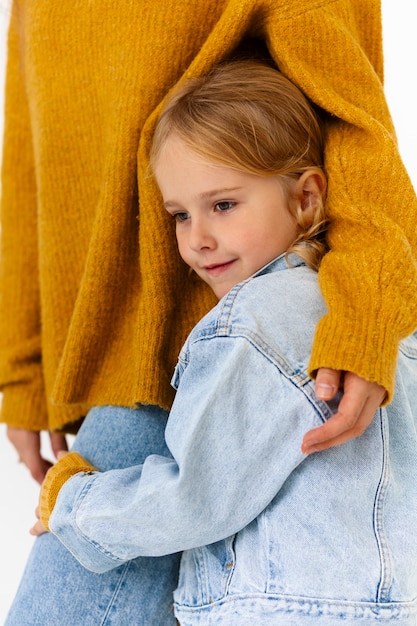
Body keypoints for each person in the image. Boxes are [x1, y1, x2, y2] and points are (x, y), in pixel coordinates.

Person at [1, 0, 416, 623]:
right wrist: (24, 360)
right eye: (181, 216)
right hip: (108, 347)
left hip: (192, 338)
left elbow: (351, 115)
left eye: (221, 206)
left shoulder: (259, 325)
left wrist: (367, 312)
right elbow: (33, 144)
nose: (196, 235)